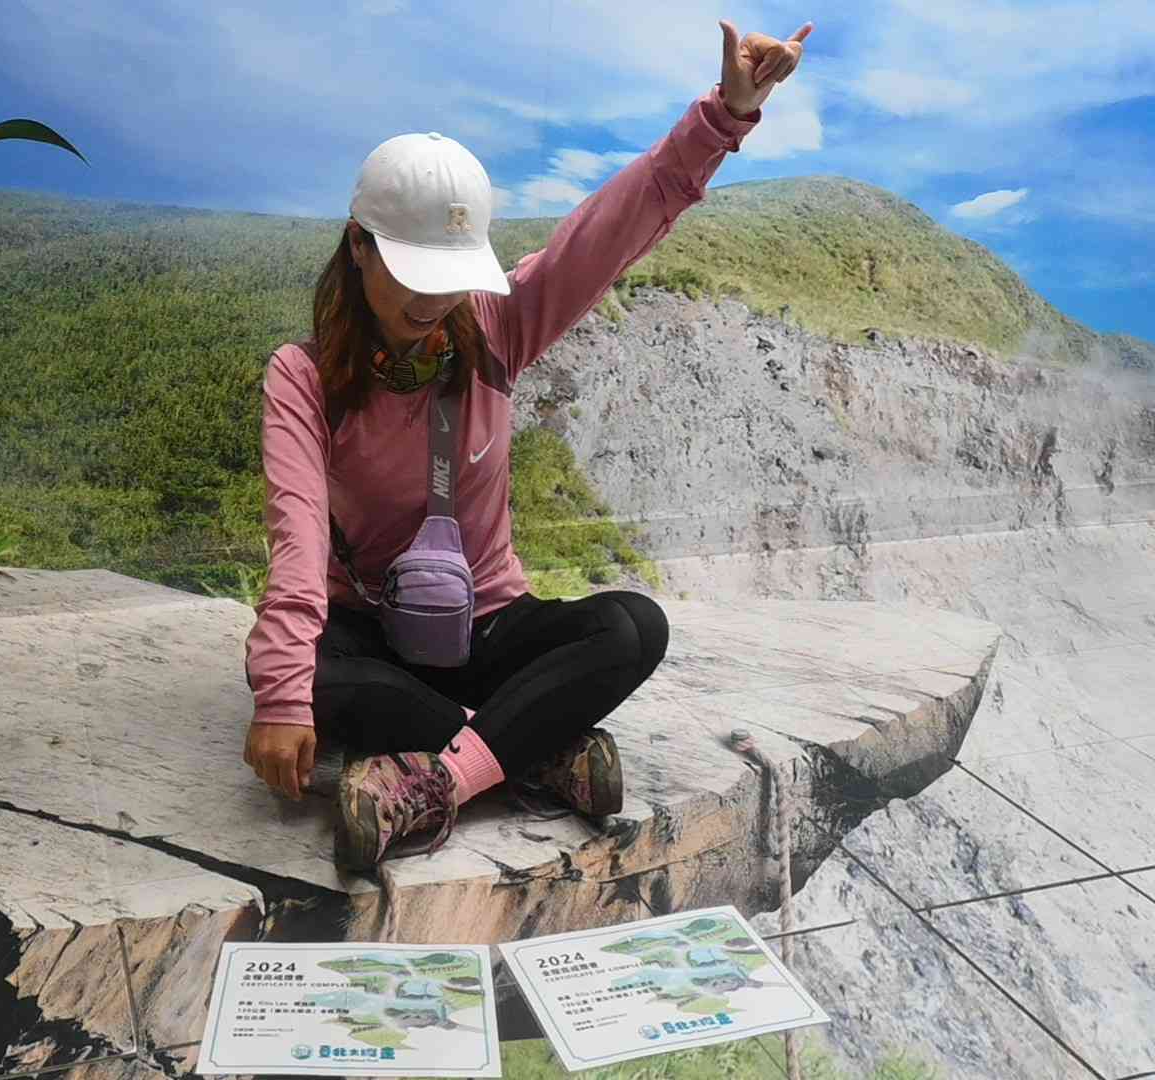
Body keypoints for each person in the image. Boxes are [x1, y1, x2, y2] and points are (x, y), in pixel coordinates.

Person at [243, 19, 813, 871]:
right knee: (319, 682)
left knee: (631, 625)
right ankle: (538, 749)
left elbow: (613, 226)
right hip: (371, 634)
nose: (434, 305)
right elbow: (297, 544)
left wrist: (725, 116)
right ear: (357, 245)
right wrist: (283, 697)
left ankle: (439, 781)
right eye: (412, 278)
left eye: (446, 280)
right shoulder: (303, 378)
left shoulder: (498, 329)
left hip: (486, 625)